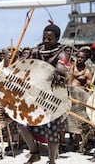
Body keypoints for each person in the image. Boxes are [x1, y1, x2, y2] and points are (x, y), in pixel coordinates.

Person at [20, 23, 69, 164]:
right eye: (44, 38)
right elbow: (25, 65)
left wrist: (59, 70)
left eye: (50, 39)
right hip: (35, 96)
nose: (46, 41)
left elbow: (60, 70)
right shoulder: (36, 51)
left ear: (57, 38)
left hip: (53, 97)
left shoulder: (62, 53)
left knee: (52, 130)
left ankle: (52, 160)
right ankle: (34, 153)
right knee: (22, 125)